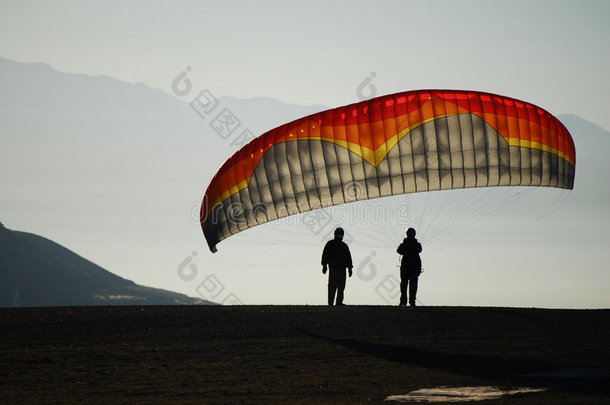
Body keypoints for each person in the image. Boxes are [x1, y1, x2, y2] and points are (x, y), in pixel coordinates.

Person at [321, 227, 353, 306]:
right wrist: (324, 265)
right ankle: (333, 302)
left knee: (339, 286)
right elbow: (325, 255)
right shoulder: (338, 245)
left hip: (338, 268)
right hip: (335, 268)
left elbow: (348, 258)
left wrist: (350, 268)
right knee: (334, 286)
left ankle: (336, 302)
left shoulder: (340, 245)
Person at [397, 228, 422, 306]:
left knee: (406, 284)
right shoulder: (416, 244)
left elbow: (399, 250)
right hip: (412, 267)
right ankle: (409, 301)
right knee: (410, 284)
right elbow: (399, 250)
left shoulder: (411, 244)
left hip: (409, 267)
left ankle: (406, 301)